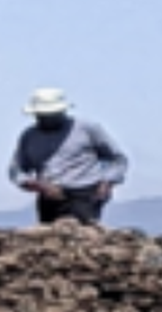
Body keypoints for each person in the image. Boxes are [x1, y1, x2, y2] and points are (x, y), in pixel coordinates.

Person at [9, 87, 129, 225]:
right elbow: (16, 170)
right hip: (50, 196)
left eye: (51, 115)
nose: (47, 119)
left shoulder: (87, 129)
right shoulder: (29, 137)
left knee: (81, 235)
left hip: (84, 194)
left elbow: (118, 159)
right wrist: (37, 186)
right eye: (42, 115)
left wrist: (107, 182)